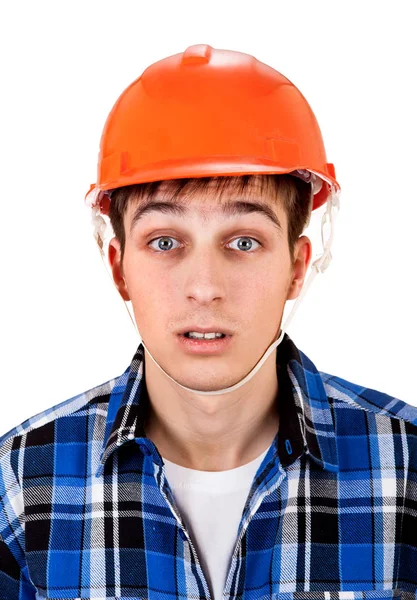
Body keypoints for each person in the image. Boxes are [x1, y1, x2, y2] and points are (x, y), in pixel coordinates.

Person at [0, 44, 415, 600]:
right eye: (165, 242)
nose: (204, 287)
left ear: (295, 267)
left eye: (244, 242)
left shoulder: (407, 468)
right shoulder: (23, 482)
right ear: (120, 269)